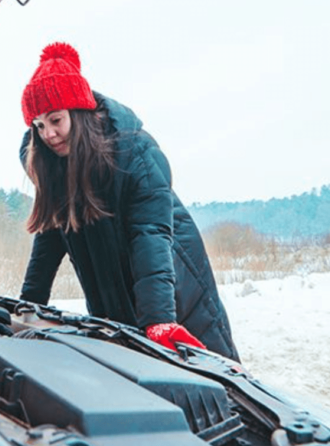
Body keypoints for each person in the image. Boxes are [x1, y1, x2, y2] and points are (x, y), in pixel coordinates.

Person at [17, 42, 240, 362]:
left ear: (77, 113)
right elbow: (51, 238)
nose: (48, 134)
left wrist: (160, 319)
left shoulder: (133, 153)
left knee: (209, 376)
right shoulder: (54, 165)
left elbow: (150, 234)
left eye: (55, 120)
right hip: (110, 287)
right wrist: (29, 303)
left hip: (173, 287)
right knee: (135, 371)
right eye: (38, 126)